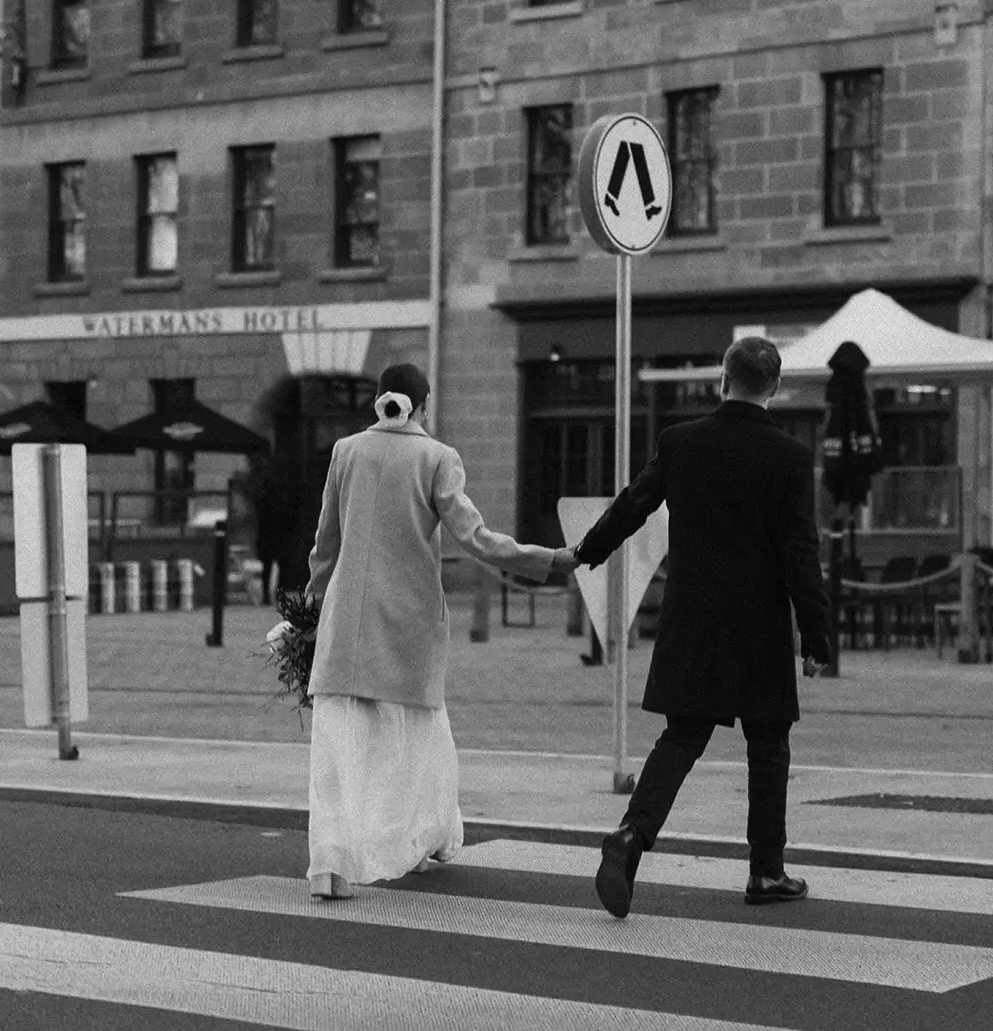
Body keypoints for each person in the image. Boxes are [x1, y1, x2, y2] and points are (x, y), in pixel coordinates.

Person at [566, 336, 831, 918]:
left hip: (694, 616)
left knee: (682, 737)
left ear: (723, 378)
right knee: (768, 745)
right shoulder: (788, 457)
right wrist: (816, 636)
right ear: (776, 386)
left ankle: (631, 836)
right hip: (760, 620)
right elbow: (800, 552)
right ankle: (766, 872)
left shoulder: (681, 442)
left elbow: (633, 505)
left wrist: (587, 551)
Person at [302, 362, 572, 900]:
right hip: (408, 621)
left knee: (340, 749)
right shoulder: (437, 457)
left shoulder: (346, 452)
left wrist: (309, 609)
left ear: (378, 402)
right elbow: (476, 539)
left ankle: (330, 868)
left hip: (346, 620)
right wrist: (548, 561)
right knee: (415, 740)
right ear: (423, 406)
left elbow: (325, 545)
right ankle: (420, 840)